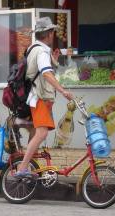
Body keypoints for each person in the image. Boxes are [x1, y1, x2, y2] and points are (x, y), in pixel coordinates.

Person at [14, 17, 73, 178]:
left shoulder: (34, 49)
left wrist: (53, 61)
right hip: (38, 97)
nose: (53, 34)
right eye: (52, 32)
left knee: (35, 133)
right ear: (48, 34)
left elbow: (41, 71)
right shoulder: (41, 51)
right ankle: (22, 169)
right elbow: (46, 74)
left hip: (36, 98)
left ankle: (30, 167)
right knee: (42, 133)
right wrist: (63, 91)